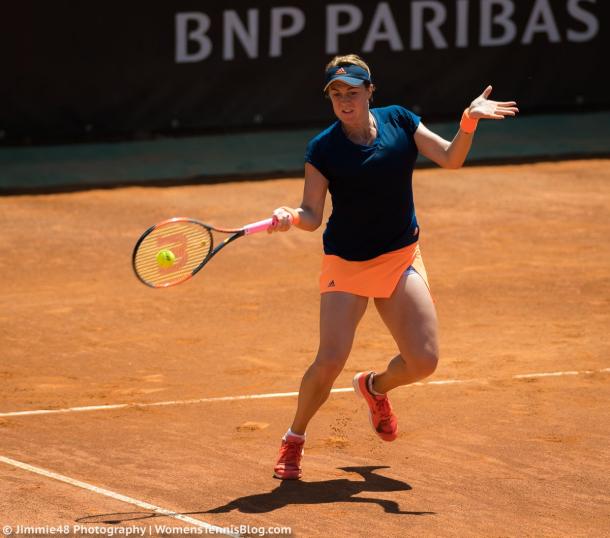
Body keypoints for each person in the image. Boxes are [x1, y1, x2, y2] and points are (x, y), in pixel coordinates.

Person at [267, 54, 518, 480]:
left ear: (369, 92)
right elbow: (312, 213)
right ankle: (294, 439)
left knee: (423, 361)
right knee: (329, 361)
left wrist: (468, 121)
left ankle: (374, 387)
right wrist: (290, 216)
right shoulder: (323, 149)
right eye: (336, 94)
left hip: (400, 256)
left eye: (351, 91)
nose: (344, 101)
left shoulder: (400, 121)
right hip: (346, 263)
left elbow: (451, 158)